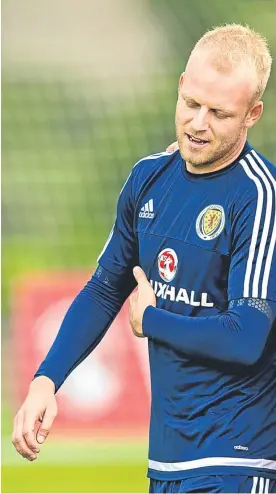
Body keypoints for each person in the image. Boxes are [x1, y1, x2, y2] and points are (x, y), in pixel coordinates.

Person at [12, 23, 276, 493]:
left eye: (219, 113)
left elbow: (246, 337)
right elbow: (105, 286)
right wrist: (45, 381)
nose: (198, 123)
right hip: (167, 462)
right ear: (180, 85)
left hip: (239, 461)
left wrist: (151, 320)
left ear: (252, 114)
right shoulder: (149, 180)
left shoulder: (257, 197)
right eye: (192, 103)